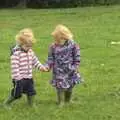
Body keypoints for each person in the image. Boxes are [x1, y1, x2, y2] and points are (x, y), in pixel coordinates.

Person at [4, 28, 47, 108]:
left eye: (30, 46)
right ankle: (7, 103)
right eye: (27, 46)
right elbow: (15, 67)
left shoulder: (30, 51)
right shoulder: (16, 54)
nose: (29, 48)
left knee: (31, 91)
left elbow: (35, 61)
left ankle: (31, 104)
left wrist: (41, 67)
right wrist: (18, 78)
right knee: (17, 94)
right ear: (21, 43)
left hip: (28, 77)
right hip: (19, 79)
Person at [45, 24, 81, 106]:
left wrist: (76, 66)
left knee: (70, 86)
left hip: (70, 70)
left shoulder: (73, 45)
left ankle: (68, 100)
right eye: (56, 39)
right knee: (60, 87)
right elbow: (50, 58)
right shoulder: (53, 46)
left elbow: (77, 56)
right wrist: (48, 66)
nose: (57, 41)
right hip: (58, 71)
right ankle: (61, 102)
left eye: (59, 39)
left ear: (65, 37)